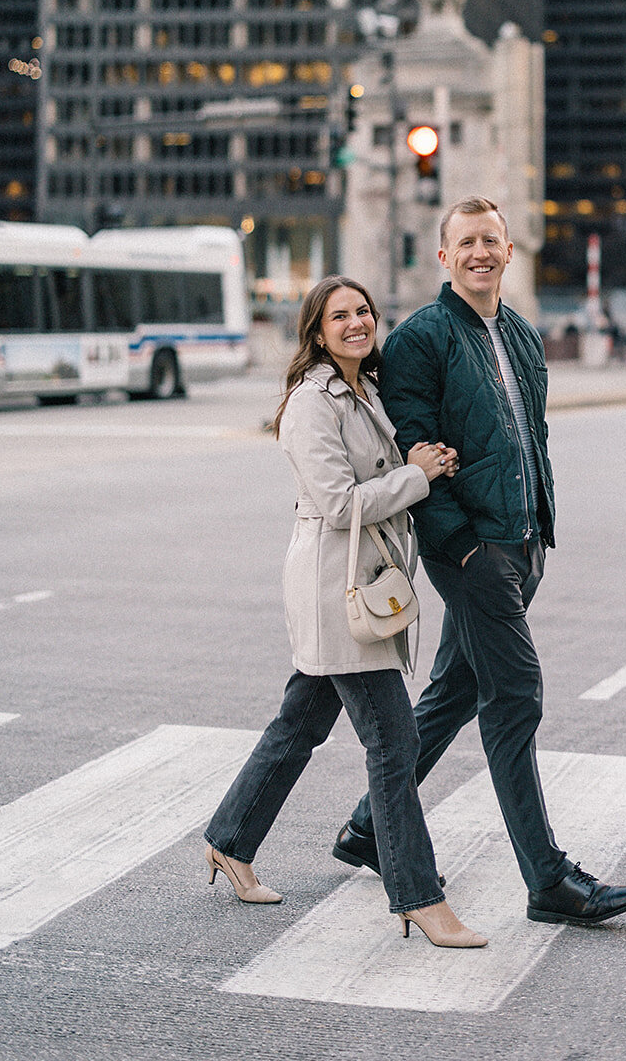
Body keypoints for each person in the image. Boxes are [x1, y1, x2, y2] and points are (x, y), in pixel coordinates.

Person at [332, 199, 626, 927]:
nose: (479, 252)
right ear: (443, 257)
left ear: (510, 252)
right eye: (464, 242)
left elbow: (528, 438)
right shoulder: (421, 340)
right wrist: (463, 546)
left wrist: (535, 530)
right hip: (471, 551)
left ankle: (366, 829)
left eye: (490, 240)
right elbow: (414, 451)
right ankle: (546, 880)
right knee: (514, 699)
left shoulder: (521, 333)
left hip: (520, 542)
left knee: (452, 691)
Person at [203, 274, 486, 950]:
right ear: (317, 330)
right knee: (394, 742)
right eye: (340, 316)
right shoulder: (311, 402)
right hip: (335, 585)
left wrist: (424, 462)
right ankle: (419, 897)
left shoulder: (368, 390)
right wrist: (417, 475)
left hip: (362, 578)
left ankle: (230, 840)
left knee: (300, 721)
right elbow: (338, 504)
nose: (356, 323)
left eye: (362, 311)